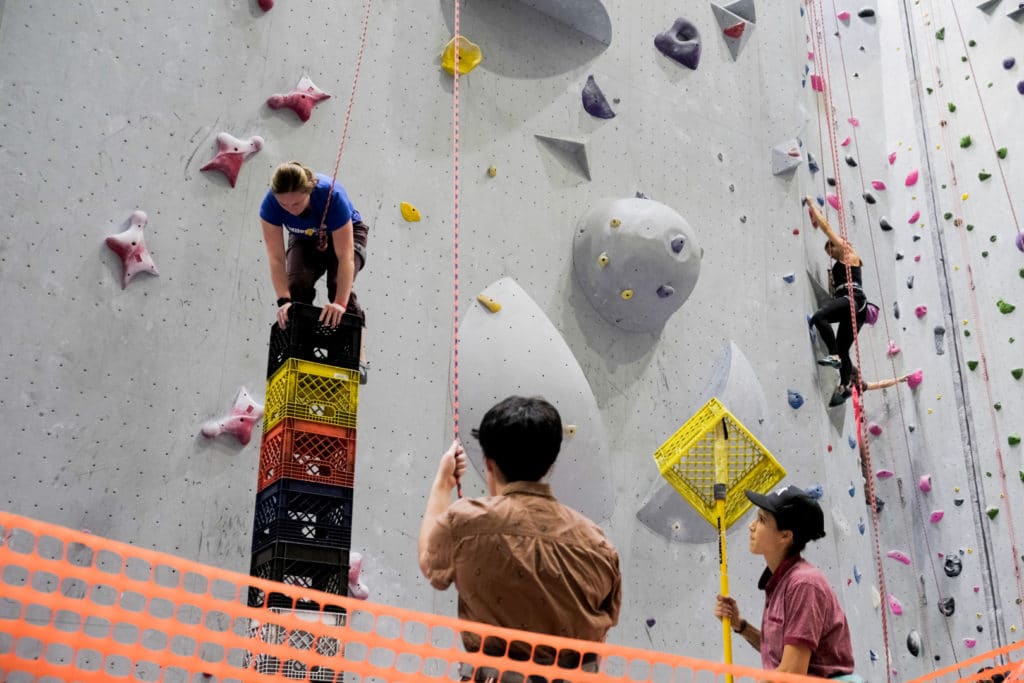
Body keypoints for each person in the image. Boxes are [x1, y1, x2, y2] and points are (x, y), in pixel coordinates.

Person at [418, 396, 622, 682]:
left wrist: (442, 485)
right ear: (550, 464)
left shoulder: (466, 523)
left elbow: (431, 562)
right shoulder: (599, 545)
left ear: (489, 464)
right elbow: (607, 618)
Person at [714, 486, 859, 682]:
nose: (752, 526)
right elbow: (781, 656)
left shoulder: (804, 585)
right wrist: (741, 626)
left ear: (785, 536)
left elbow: (791, 673)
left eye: (762, 520)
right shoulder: (783, 581)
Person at [260, 161, 370, 379]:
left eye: (297, 203)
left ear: (309, 190)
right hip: (305, 237)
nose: (292, 209)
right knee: (296, 288)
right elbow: (276, 258)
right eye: (285, 205)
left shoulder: (332, 196)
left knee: (339, 286)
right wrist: (284, 301)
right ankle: (302, 352)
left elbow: (345, 256)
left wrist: (339, 303)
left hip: (347, 234)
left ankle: (357, 354)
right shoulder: (270, 205)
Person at [806, 197, 867, 407]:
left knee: (819, 317)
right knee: (843, 348)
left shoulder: (847, 251)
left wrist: (812, 206)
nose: (831, 254)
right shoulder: (843, 263)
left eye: (831, 249)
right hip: (856, 306)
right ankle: (845, 385)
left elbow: (826, 227)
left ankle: (834, 357)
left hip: (853, 299)